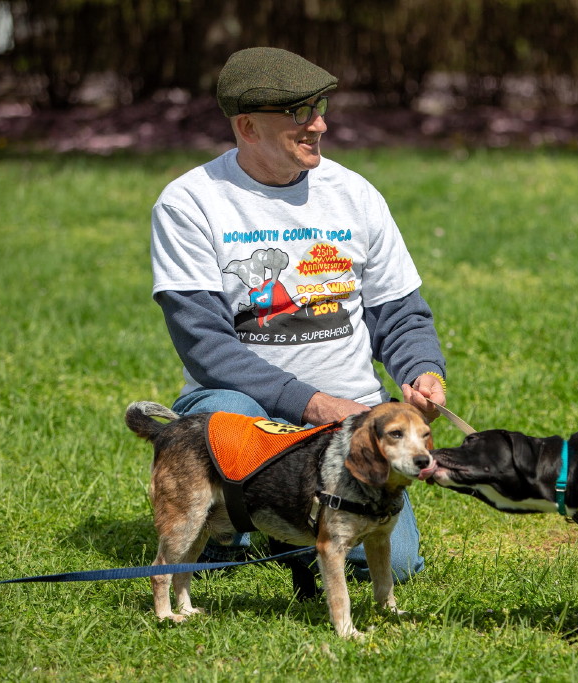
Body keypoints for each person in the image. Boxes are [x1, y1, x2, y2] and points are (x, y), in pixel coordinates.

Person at [148, 46, 447, 587]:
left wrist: (421, 368)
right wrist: (312, 404)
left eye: (321, 107)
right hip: (244, 411)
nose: (320, 124)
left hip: (348, 423)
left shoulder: (355, 194)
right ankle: (226, 525)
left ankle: (288, 529)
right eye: (299, 114)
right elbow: (206, 348)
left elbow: (398, 312)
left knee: (395, 567)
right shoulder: (189, 203)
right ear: (247, 126)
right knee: (225, 411)